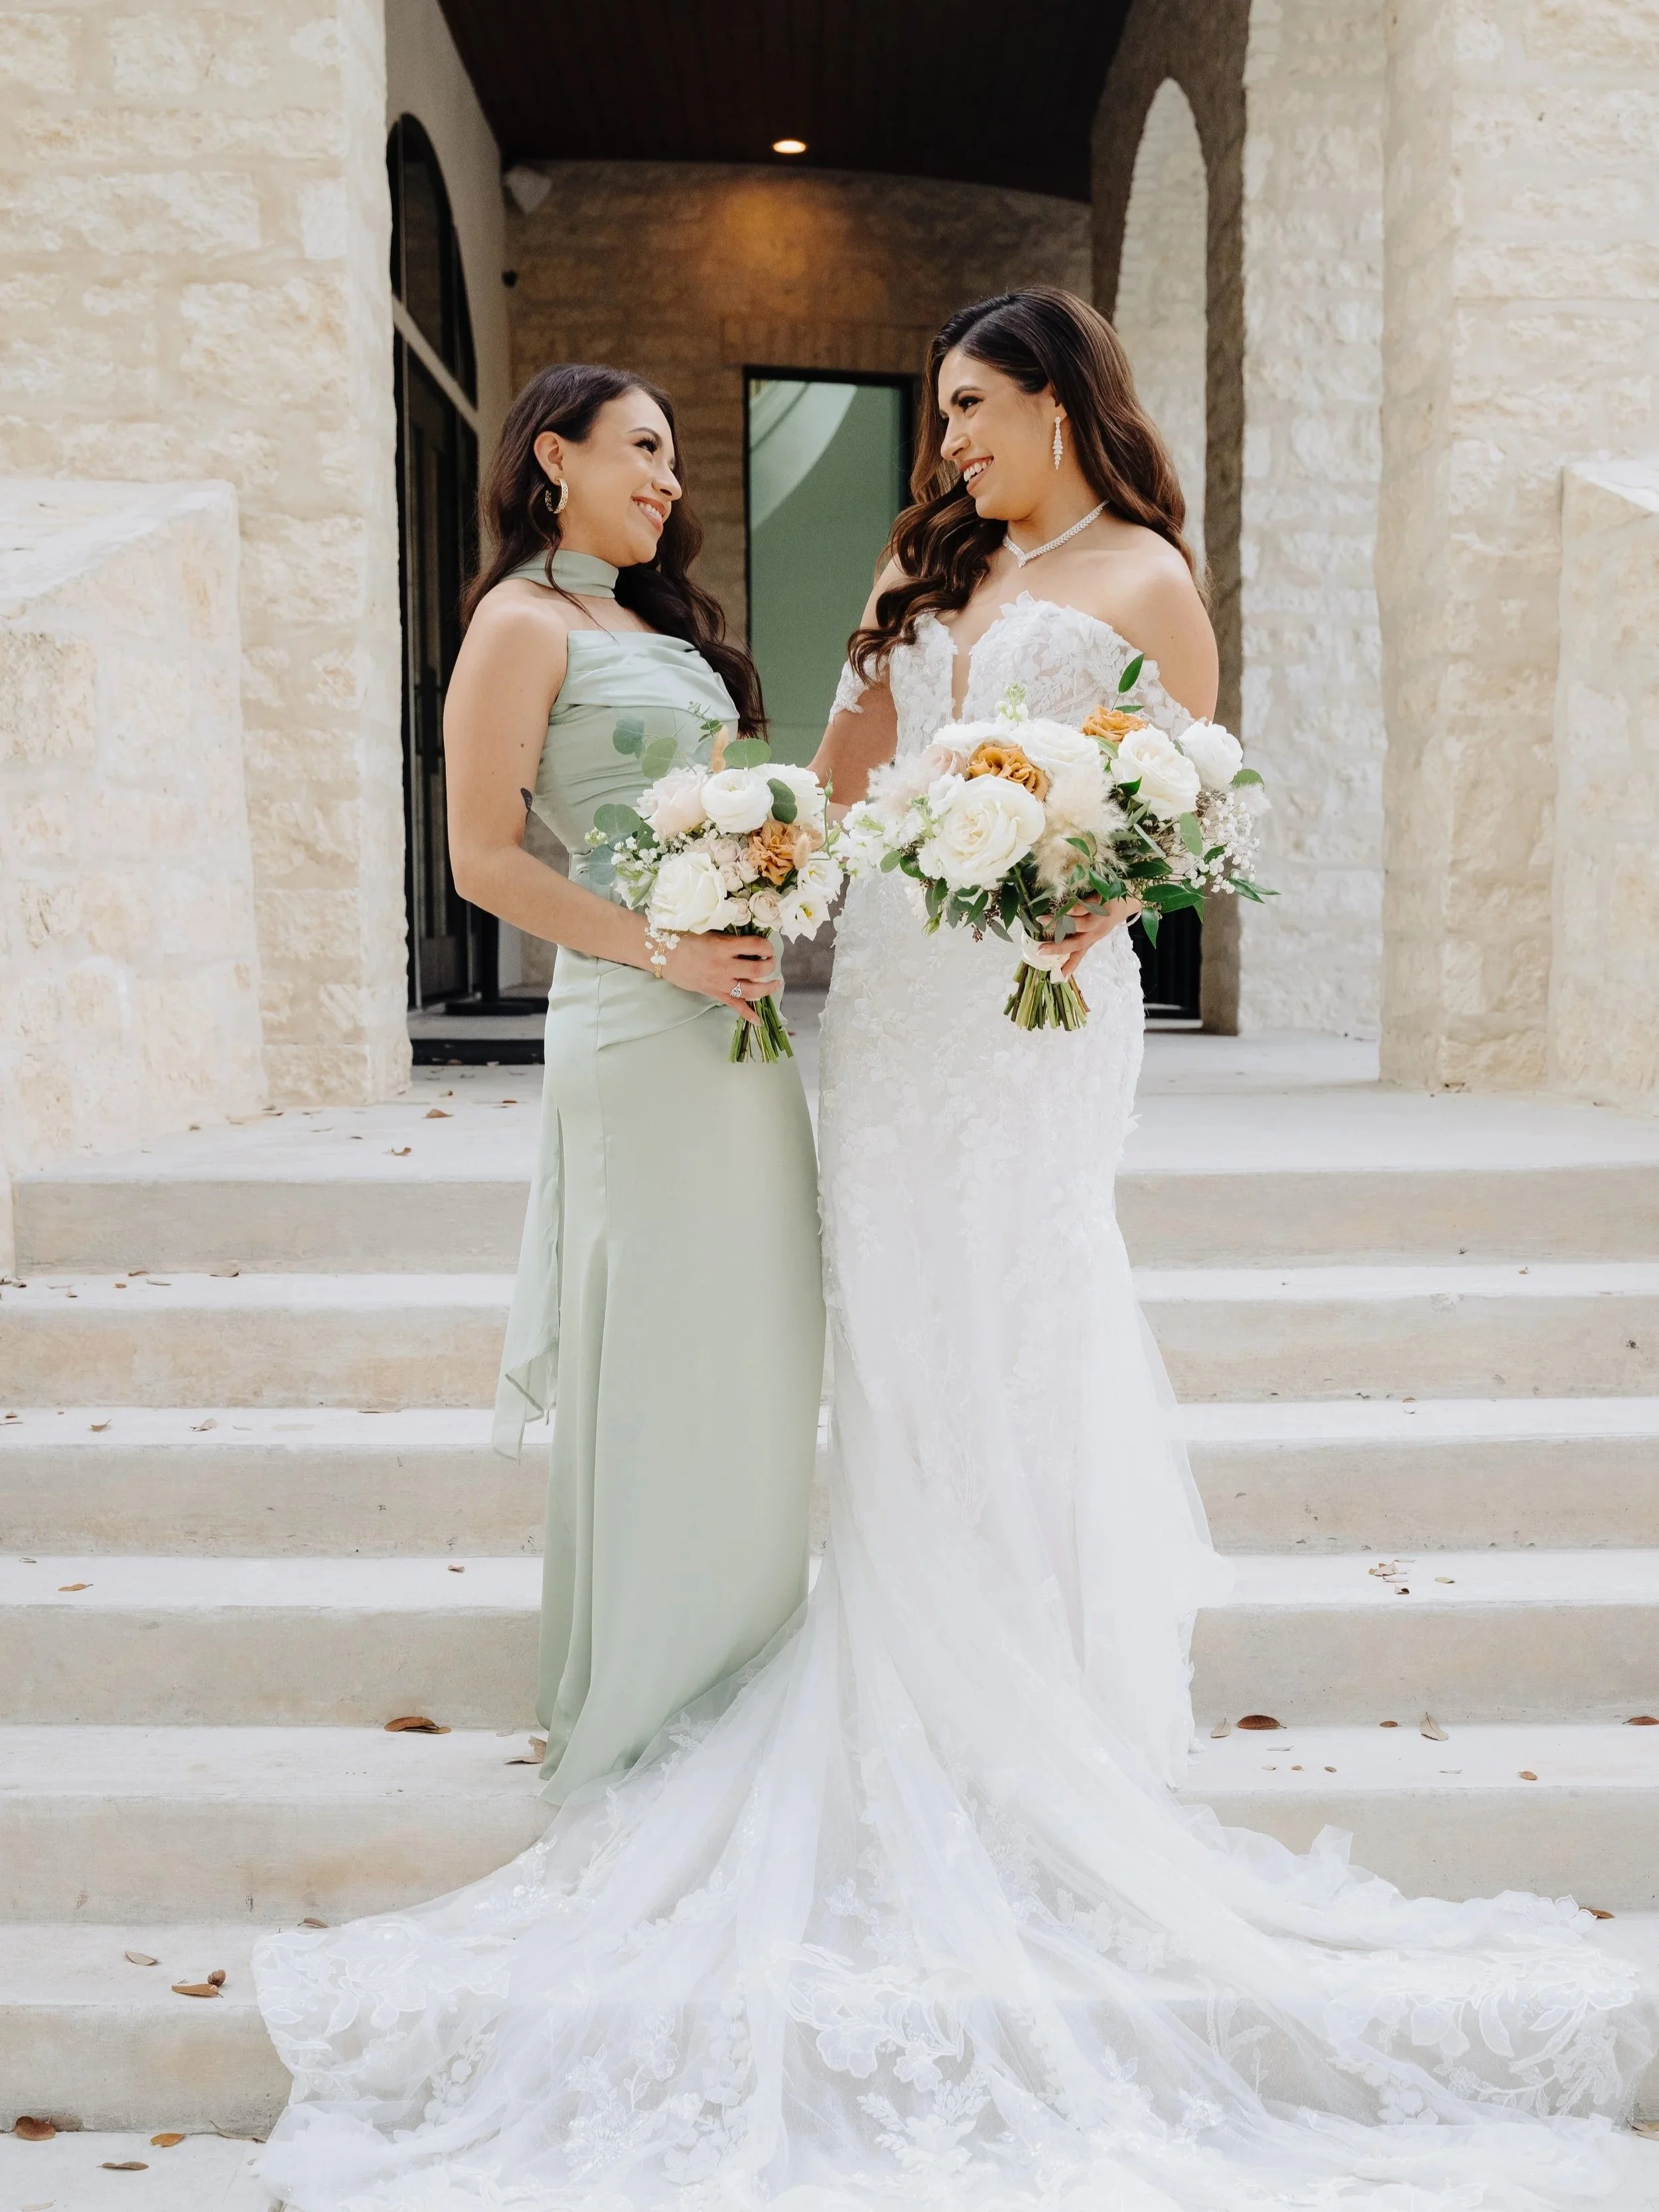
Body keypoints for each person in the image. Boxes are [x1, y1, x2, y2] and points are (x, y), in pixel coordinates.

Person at [253, 297, 1651, 2211]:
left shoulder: (1148, 577)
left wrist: (1110, 904)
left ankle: (1031, 1713)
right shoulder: (930, 567)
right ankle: (912, 1674)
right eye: (941, 420)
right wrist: (735, 874)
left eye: (977, 414)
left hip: (1034, 1019)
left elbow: (1195, 799)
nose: (952, 448)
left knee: (1019, 1322)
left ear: (1065, 404)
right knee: (895, 1340)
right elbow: (829, 781)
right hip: (898, 1010)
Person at [442, 363, 824, 1803]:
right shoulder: (517, 623)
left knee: (756, 1338)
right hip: (629, 1011)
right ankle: (642, 1686)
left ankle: (743, 1653)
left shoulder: (658, 629)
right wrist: (663, 951)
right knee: (659, 1349)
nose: (670, 480)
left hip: (735, 1029)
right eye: (642, 448)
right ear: (557, 454)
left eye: (674, 457)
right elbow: (487, 858)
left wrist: (764, 889)